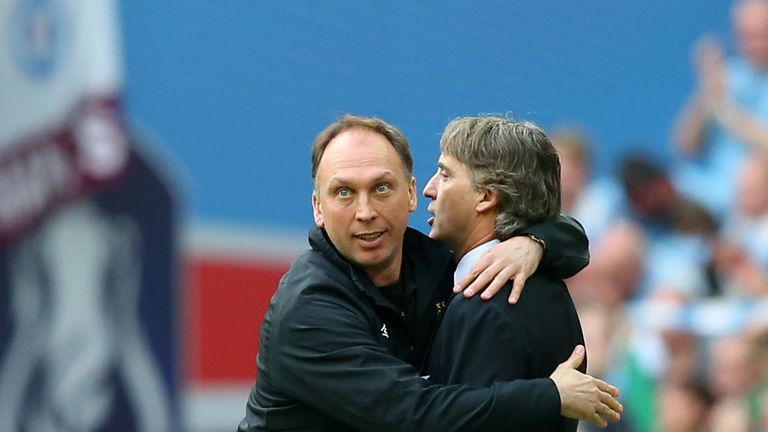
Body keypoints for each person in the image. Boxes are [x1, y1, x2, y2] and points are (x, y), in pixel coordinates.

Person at [238, 115, 622, 431]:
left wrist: (534, 242)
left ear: (409, 192)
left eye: (382, 187)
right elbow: (412, 413)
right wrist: (551, 395)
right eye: (343, 193)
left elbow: (570, 239)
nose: (365, 210)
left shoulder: (443, 263)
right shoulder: (308, 310)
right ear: (317, 208)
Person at [422, 116, 588, 432]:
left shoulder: (484, 301)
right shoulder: (550, 287)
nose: (430, 189)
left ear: (486, 196)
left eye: (445, 174)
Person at [672, 0, 768, 219]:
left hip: (750, 210)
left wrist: (724, 110)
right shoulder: (729, 75)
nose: (751, 44)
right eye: (743, 35)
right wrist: (707, 87)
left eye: (759, 35)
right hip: (702, 200)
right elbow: (684, 145)